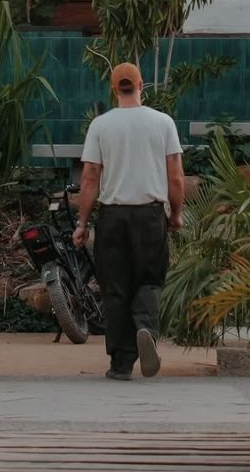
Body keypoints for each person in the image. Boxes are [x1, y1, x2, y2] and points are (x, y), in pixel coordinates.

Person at [73, 62, 184, 381]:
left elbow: (91, 177)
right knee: (149, 280)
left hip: (112, 216)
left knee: (115, 288)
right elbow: (175, 177)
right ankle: (146, 329)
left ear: (113, 89)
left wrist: (82, 222)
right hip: (149, 214)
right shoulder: (162, 123)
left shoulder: (100, 126)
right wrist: (175, 214)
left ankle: (120, 364)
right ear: (141, 85)